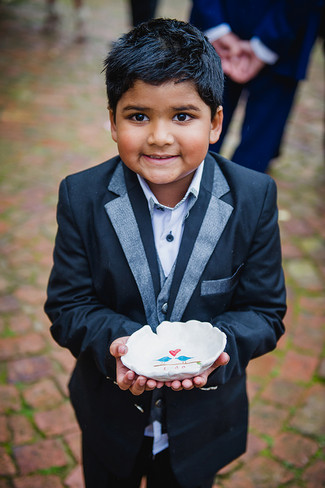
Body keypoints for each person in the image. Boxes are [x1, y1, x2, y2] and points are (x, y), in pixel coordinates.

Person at [45, 18, 286, 488]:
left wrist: (214, 351)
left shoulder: (253, 197)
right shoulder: (82, 195)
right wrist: (119, 345)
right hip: (110, 419)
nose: (159, 137)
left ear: (215, 122)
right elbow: (68, 306)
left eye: (182, 115)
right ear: (112, 121)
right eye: (138, 116)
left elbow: (265, 312)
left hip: (203, 423)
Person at [190, 0, 324, 173]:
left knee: (255, 153)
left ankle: (241, 198)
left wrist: (266, 44)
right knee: (197, 132)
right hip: (283, 28)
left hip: (287, 38)